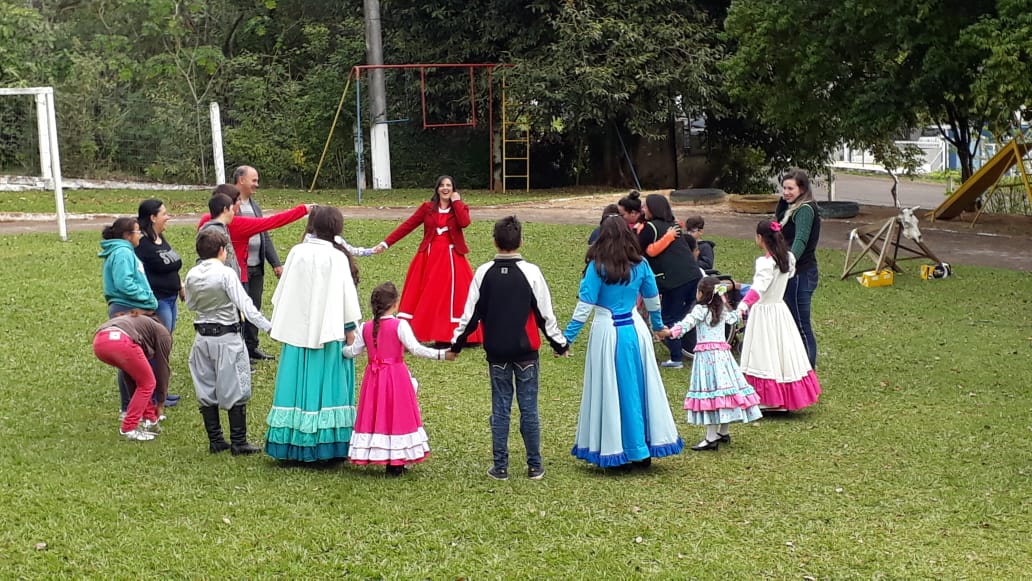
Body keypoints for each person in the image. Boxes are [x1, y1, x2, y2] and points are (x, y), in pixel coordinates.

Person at [451, 216, 569, 481]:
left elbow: (470, 315)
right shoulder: (532, 272)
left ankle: (500, 466)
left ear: (494, 241)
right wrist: (559, 344)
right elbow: (544, 314)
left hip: (497, 353)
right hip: (527, 352)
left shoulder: (483, 273)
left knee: (500, 407)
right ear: (521, 241)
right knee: (529, 408)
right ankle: (534, 465)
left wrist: (456, 345)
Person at [563, 216, 684, 470]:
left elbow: (583, 308)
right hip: (635, 330)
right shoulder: (641, 265)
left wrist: (566, 339)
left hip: (607, 331)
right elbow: (652, 301)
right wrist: (659, 326)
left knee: (610, 388)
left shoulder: (598, 267)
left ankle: (616, 448)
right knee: (640, 387)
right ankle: (641, 448)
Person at [264, 206, 363, 462]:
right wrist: (350, 329)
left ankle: (291, 443)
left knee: (295, 385)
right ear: (336, 228)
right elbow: (345, 298)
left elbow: (283, 294)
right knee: (328, 385)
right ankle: (327, 445)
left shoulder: (297, 252)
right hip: (329, 333)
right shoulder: (336, 257)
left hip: (298, 333)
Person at [344, 282, 454, 477]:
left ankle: (382, 455)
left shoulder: (366, 327)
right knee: (398, 415)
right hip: (396, 377)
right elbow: (416, 349)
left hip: (374, 378)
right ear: (395, 304)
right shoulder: (399, 325)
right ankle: (397, 460)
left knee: (378, 414)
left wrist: (341, 349)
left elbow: (352, 352)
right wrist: (441, 354)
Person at [184, 228, 272, 455]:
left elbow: (191, 305)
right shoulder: (225, 274)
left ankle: (215, 439)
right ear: (222, 250)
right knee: (236, 385)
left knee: (206, 387)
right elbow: (246, 306)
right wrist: (269, 327)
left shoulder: (192, 274)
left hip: (202, 337)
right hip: (226, 336)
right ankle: (238, 441)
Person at [656, 276, 762, 451]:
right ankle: (723, 431)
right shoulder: (722, 309)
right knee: (725, 393)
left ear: (701, 293)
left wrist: (667, 332)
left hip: (707, 359)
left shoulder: (700, 310)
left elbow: (685, 325)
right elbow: (734, 319)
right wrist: (743, 304)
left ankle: (711, 437)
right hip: (723, 356)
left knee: (712, 395)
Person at [375, 175, 481, 345]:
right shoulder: (427, 208)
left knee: (456, 294)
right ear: (437, 189)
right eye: (442, 185)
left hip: (452, 257)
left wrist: (457, 202)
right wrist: (385, 243)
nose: (445, 188)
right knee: (430, 294)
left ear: (454, 189)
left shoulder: (459, 208)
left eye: (449, 186)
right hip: (430, 256)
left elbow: (464, 222)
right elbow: (408, 225)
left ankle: (461, 334)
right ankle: (428, 332)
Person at [735, 220, 822, 411]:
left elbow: (758, 288)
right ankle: (783, 396)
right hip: (779, 310)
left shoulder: (765, 263)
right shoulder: (788, 258)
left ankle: (767, 399)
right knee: (782, 351)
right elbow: (788, 276)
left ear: (759, 238)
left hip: (764, 311)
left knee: (763, 352)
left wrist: (742, 305)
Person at [99, 217, 159, 417]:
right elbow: (124, 283)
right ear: (127, 235)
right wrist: (147, 297)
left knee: (130, 361)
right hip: (128, 308)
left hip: (125, 307)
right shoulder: (123, 252)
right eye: (137, 231)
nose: (140, 235)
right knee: (130, 361)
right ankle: (129, 408)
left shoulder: (122, 251)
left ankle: (133, 406)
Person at [638, 194, 702, 369]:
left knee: (668, 317)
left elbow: (646, 250)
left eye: (645, 207)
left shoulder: (650, 228)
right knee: (684, 315)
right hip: (693, 275)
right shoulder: (673, 226)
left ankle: (676, 358)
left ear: (653, 208)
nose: (643, 210)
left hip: (674, 280)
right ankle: (688, 346)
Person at [232, 166, 285, 362]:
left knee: (254, 306)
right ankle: (239, 350)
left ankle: (252, 347)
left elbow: (265, 235)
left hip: (257, 267)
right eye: (253, 180)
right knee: (239, 309)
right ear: (241, 180)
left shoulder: (255, 206)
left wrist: (276, 263)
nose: (257, 184)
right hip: (238, 269)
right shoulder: (230, 205)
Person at [92, 311, 171, 441]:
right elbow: (163, 370)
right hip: (121, 342)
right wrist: (161, 402)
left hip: (100, 342)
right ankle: (128, 427)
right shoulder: (163, 334)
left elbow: (131, 378)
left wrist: (151, 414)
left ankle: (150, 420)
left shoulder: (138, 324)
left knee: (141, 380)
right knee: (148, 383)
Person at [135, 199, 183, 407]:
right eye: (164, 213)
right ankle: (153, 394)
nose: (168, 216)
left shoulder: (160, 238)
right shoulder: (143, 245)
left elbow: (172, 265)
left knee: (165, 345)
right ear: (153, 217)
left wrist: (180, 286)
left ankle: (160, 389)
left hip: (171, 298)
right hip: (159, 301)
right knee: (157, 347)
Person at [775, 168, 822, 368]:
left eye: (790, 188)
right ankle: (796, 367)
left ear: (802, 188)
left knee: (801, 325)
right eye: (784, 188)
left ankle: (808, 372)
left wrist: (791, 261)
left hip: (801, 273)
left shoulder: (805, 210)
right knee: (791, 322)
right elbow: (777, 228)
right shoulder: (790, 207)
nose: (786, 192)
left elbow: (801, 239)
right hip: (790, 272)